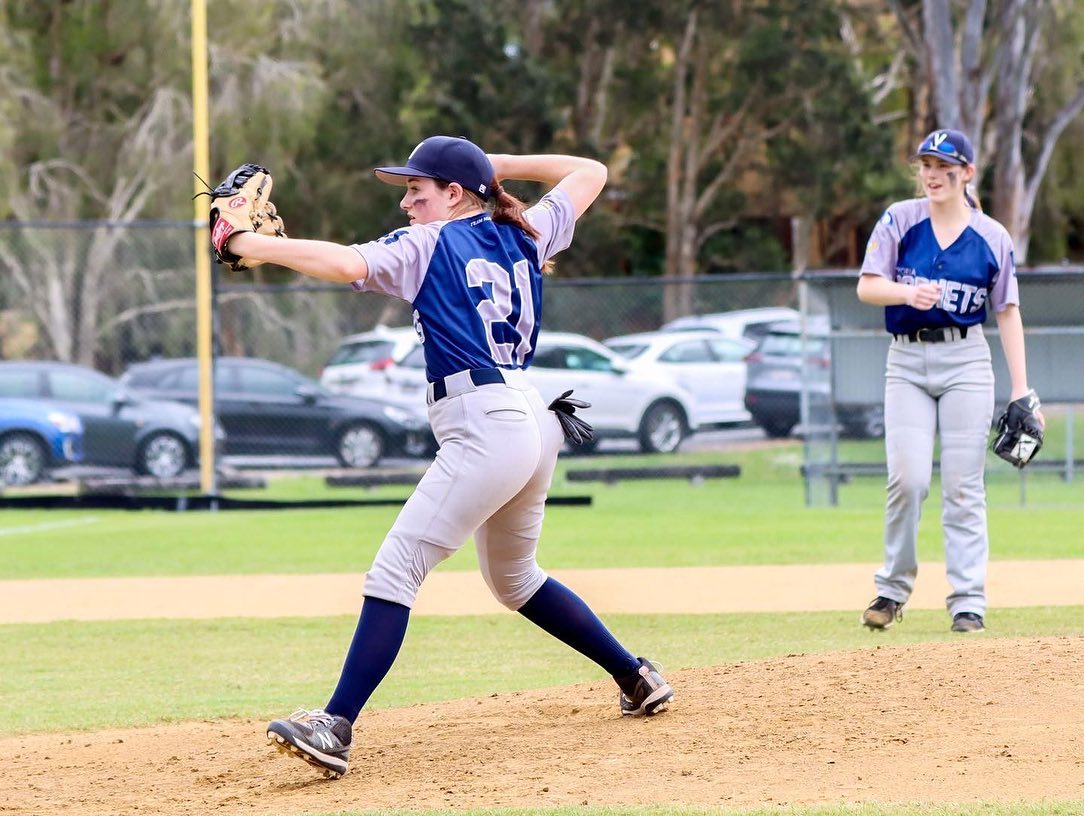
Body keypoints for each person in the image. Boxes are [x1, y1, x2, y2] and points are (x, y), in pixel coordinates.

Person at [216, 136, 674, 779]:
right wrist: (497, 170)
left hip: (486, 422)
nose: (405, 202)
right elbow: (590, 171)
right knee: (515, 580)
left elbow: (346, 265)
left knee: (396, 569)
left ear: (454, 194)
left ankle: (336, 723)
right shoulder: (527, 231)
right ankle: (635, 676)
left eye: (417, 190)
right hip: (534, 418)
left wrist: (242, 242)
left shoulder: (431, 244)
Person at [855, 128, 1043, 635]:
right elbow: (867, 286)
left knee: (963, 487)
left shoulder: (992, 236)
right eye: (927, 165)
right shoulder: (901, 218)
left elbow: (1007, 311)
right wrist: (904, 293)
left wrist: (1022, 390)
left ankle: (968, 602)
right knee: (908, 480)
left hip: (965, 363)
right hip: (906, 362)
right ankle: (892, 591)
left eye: (944, 166)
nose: (933, 175)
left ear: (967, 173)